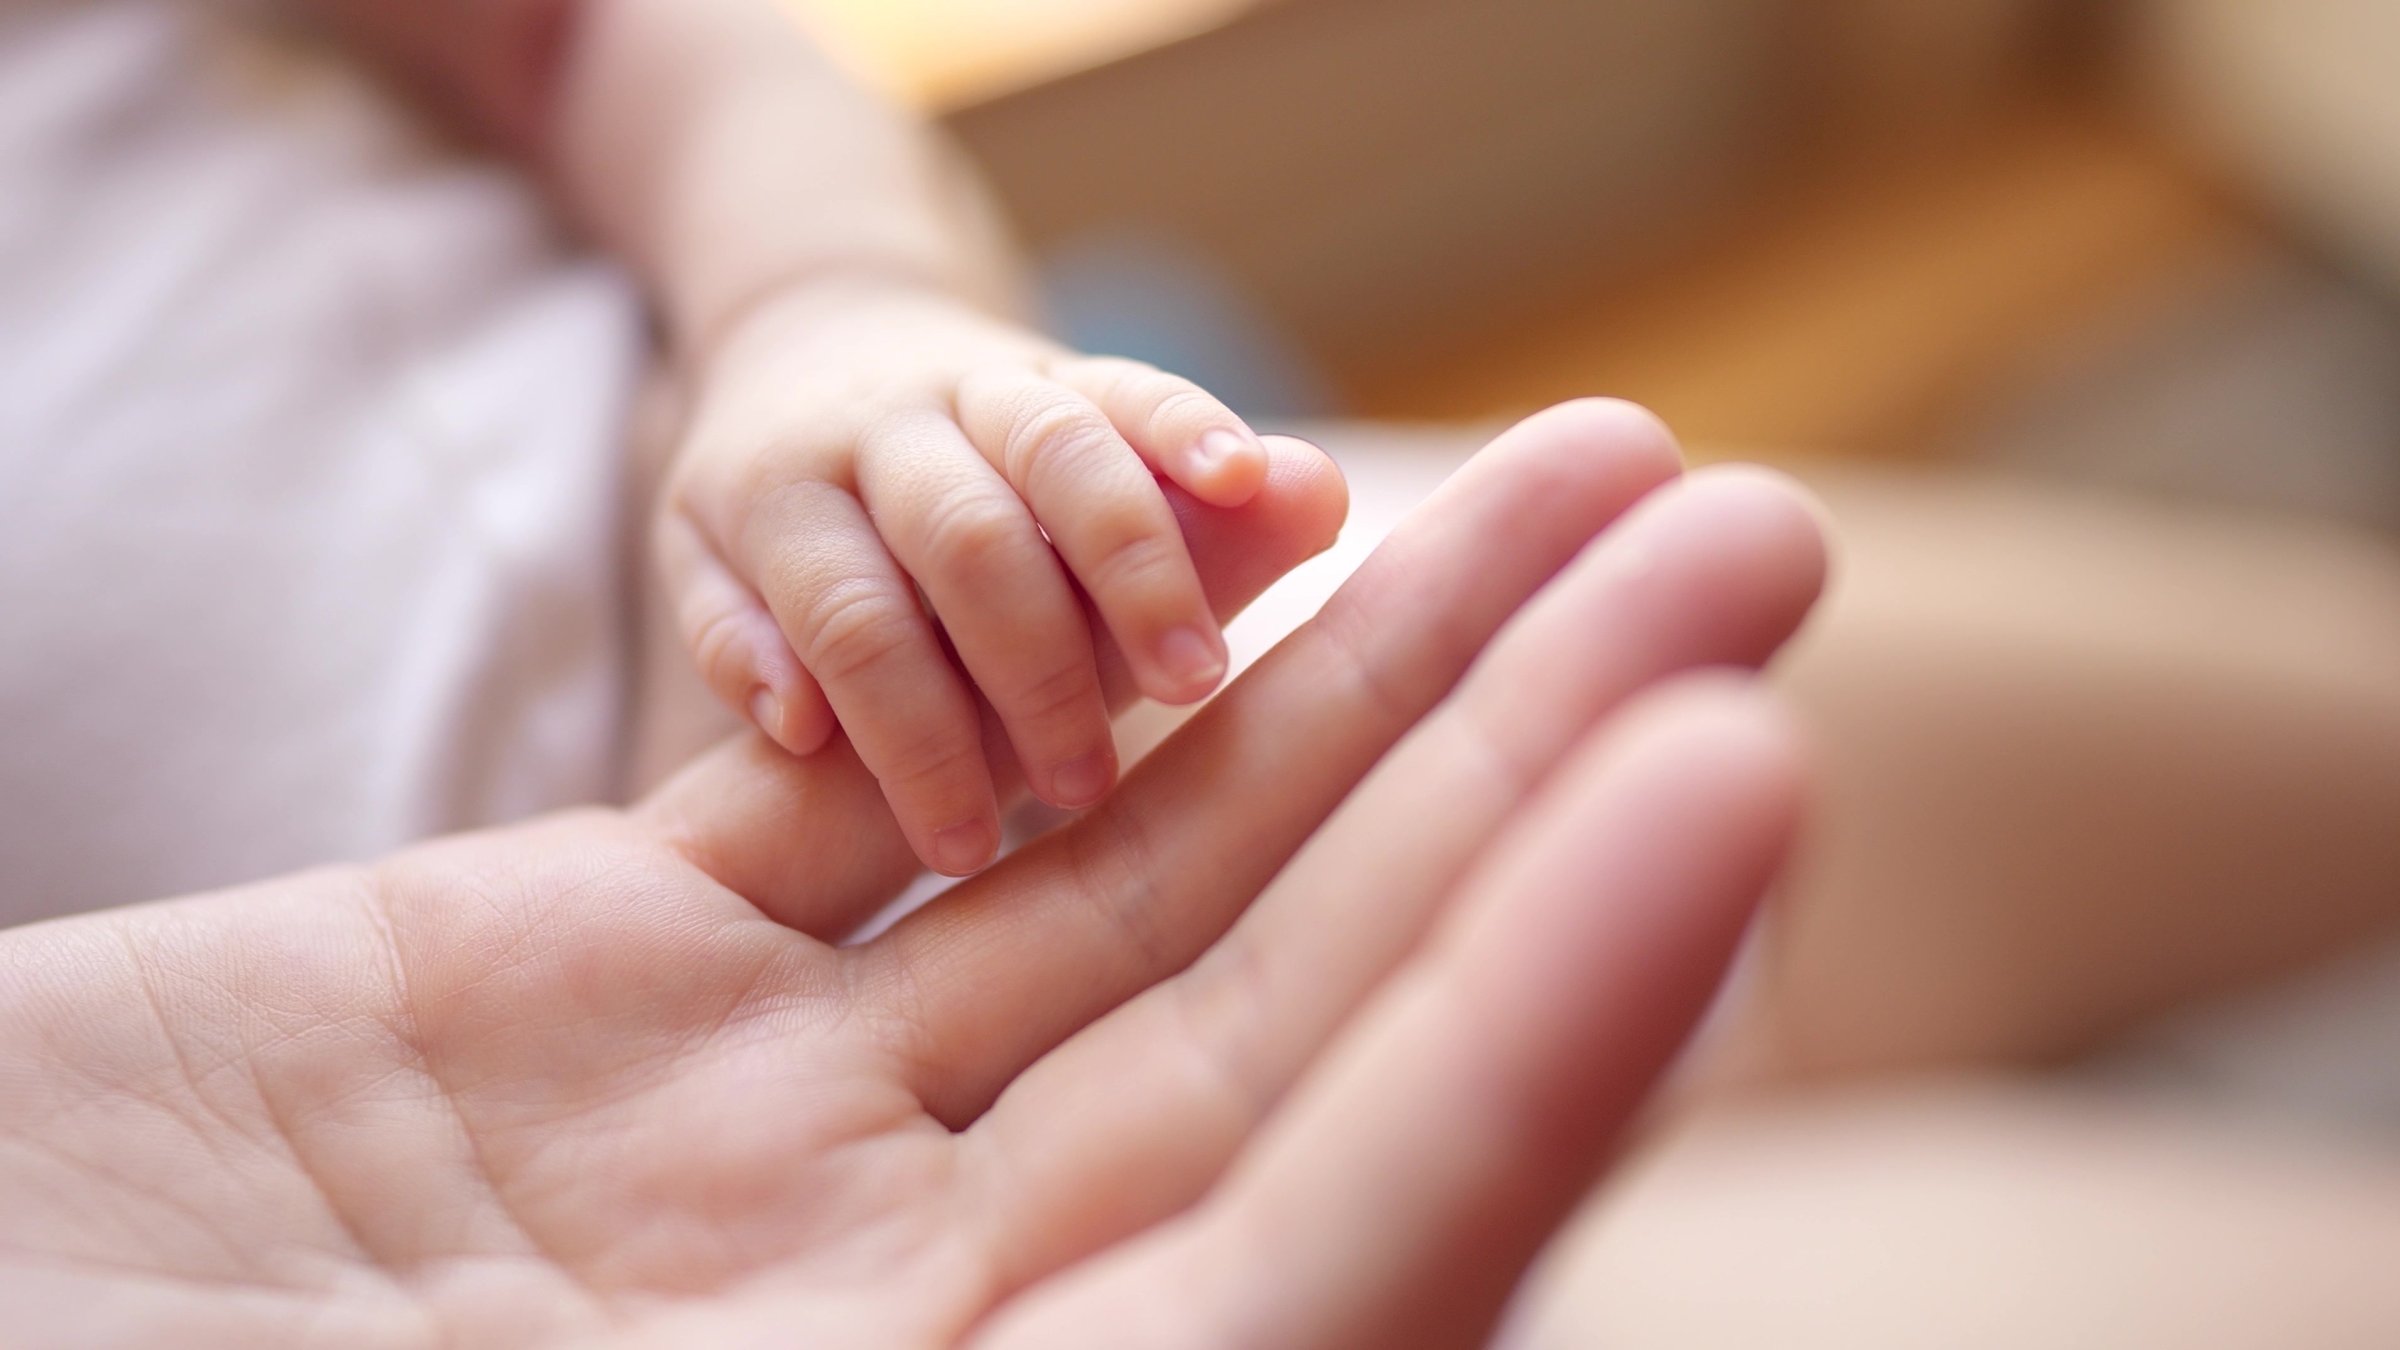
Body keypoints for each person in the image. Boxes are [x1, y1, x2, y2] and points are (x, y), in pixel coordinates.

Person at [0, 405, 1833, 1346]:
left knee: (1754, 647)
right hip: (825, 1200)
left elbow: (604, 42)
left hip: (1026, 644)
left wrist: (818, 310)